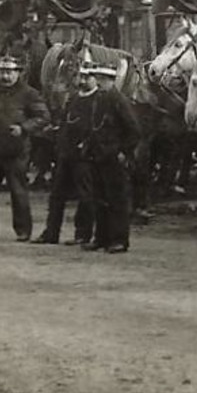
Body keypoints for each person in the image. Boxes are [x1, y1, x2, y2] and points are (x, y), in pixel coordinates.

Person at [0, 55, 49, 242]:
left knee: (18, 192)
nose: (5, 76)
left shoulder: (29, 94)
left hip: (16, 151)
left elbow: (44, 117)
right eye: (2, 71)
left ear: (18, 73)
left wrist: (24, 128)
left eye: (9, 72)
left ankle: (23, 230)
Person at [32, 62, 97, 246]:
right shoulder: (74, 98)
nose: (82, 81)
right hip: (66, 155)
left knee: (85, 196)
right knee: (56, 194)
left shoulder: (98, 101)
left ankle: (82, 234)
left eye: (87, 77)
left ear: (96, 79)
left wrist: (87, 146)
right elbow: (65, 124)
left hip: (84, 156)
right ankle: (51, 232)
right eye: (81, 76)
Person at [82, 59, 141, 253]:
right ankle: (101, 238)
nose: (98, 82)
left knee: (117, 200)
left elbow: (134, 130)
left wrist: (124, 152)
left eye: (103, 79)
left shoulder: (118, 100)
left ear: (112, 79)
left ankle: (119, 240)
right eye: (97, 77)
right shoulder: (98, 99)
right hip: (98, 156)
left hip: (114, 158)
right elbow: (94, 127)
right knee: (100, 199)